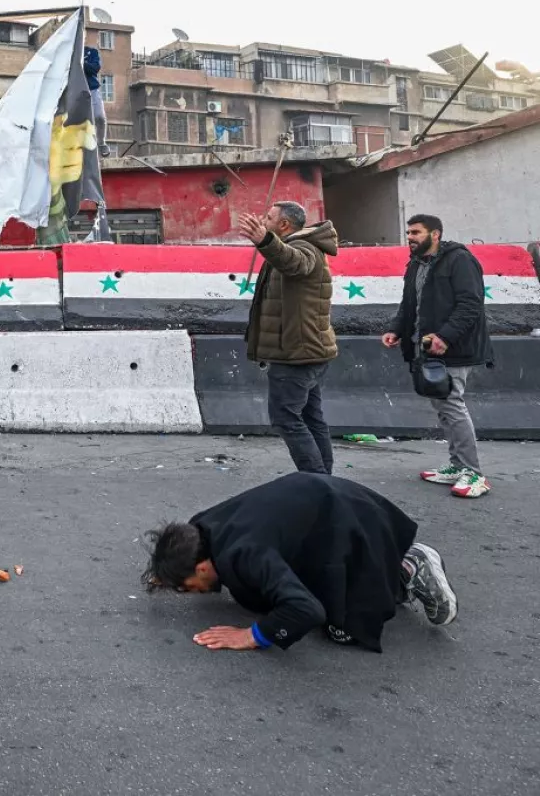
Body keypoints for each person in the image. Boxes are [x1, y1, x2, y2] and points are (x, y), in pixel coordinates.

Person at [142, 472, 458, 653]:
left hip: (354, 523)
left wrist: (254, 635)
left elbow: (306, 610)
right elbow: (179, 549)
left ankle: (408, 569)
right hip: (327, 506)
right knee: (264, 593)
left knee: (342, 630)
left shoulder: (244, 554)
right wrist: (168, 570)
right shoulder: (202, 529)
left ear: (200, 567)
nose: (192, 593)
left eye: (188, 587)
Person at [382, 214, 494, 499]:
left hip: (453, 348)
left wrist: (445, 336)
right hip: (427, 348)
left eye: (416, 232)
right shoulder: (416, 265)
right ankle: (457, 465)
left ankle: (474, 473)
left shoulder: (459, 260)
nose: (410, 237)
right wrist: (396, 329)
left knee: (452, 403)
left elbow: (471, 304)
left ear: (436, 234)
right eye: (408, 232)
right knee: (444, 406)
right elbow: (409, 303)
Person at [237, 201, 339, 474]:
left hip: (297, 353)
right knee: (309, 417)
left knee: (286, 418)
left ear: (284, 225)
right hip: (306, 350)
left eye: (268, 218)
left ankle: (315, 481)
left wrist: (264, 240)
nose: (263, 220)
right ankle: (323, 479)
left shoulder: (305, 247)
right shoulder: (300, 244)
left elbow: (295, 263)